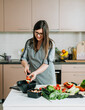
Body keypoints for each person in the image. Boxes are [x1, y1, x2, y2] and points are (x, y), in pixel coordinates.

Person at [20, 20, 56, 85]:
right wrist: (26, 65)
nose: (38, 35)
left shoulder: (50, 44)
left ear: (45, 33)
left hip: (47, 77)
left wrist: (36, 72)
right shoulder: (29, 43)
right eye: (36, 32)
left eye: (41, 33)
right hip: (33, 77)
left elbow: (46, 63)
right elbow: (23, 58)